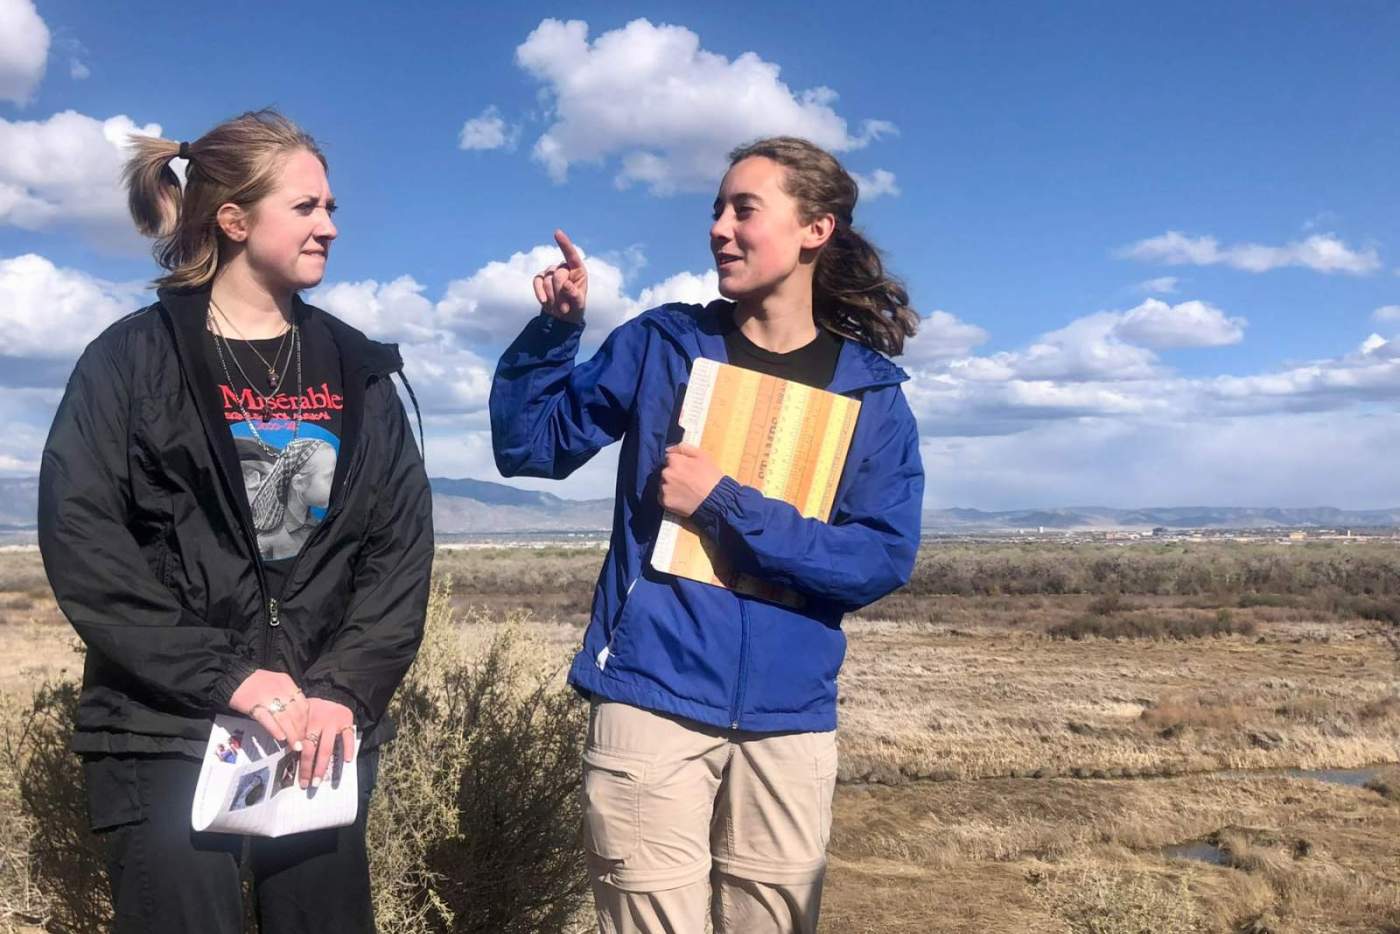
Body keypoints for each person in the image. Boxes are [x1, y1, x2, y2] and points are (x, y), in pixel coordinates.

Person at [490, 136, 924, 933]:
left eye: (744, 209)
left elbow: (878, 559)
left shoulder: (872, 396)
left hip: (791, 719)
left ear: (815, 230)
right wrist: (554, 334)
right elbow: (531, 447)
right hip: (652, 698)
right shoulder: (664, 345)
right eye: (717, 210)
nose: (720, 227)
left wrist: (721, 501)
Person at [37, 109, 433, 934]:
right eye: (307, 207)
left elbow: (399, 550)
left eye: (332, 208)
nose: (329, 226)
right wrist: (229, 678)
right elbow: (85, 543)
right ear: (233, 219)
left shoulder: (355, 368)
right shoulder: (132, 361)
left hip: (314, 731)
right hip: (164, 727)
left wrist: (343, 692)